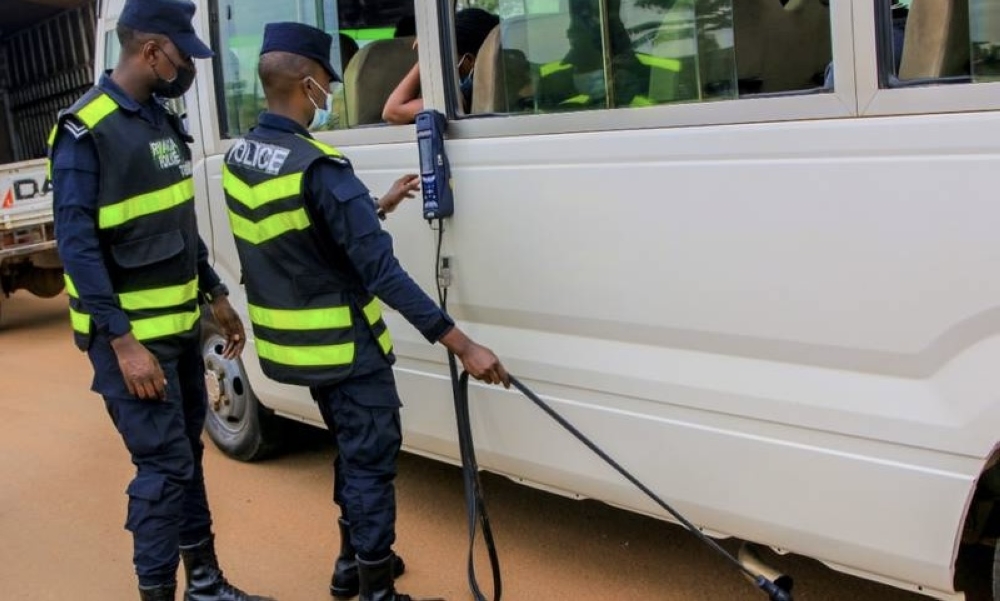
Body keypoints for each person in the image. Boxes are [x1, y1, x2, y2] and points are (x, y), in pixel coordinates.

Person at [222, 21, 510, 601]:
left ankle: (349, 566)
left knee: (351, 451)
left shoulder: (243, 157)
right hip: (345, 350)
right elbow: (383, 276)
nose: (329, 94)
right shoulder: (321, 169)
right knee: (372, 461)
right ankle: (378, 589)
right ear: (307, 85)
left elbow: (298, 240)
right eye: (326, 83)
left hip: (293, 349)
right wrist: (465, 346)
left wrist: (373, 207)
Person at [49, 1, 273, 600]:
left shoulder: (158, 118)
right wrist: (123, 345)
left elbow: (177, 221)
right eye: (180, 55)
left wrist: (215, 293)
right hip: (133, 346)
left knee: (186, 463)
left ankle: (204, 583)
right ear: (150, 51)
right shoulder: (85, 129)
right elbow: (77, 248)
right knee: (164, 470)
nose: (187, 67)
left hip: (177, 331)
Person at [382, 8, 500, 124]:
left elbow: (392, 111)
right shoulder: (507, 88)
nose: (444, 65)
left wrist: (429, 50)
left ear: (469, 60)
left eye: (448, 58)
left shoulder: (463, 99)